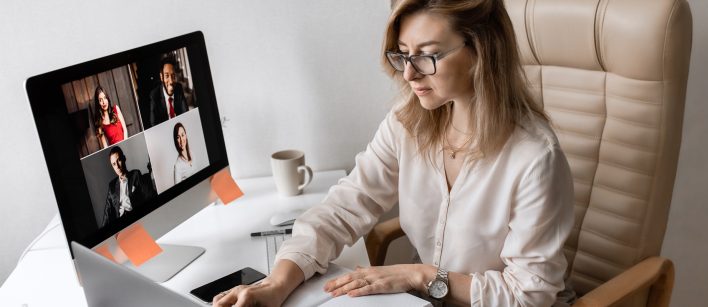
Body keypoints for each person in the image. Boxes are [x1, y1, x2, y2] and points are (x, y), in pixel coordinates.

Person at [214, 0, 574, 306]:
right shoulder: (408, 124)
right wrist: (278, 283)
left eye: (428, 56)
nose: (410, 75)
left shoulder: (534, 157)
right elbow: (345, 207)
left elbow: (529, 295)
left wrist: (421, 275)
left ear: (481, 50)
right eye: (403, 56)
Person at [101, 146, 157, 228]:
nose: (117, 166)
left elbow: (149, 195)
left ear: (124, 159)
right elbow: (107, 212)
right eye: (113, 164)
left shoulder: (136, 174)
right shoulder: (112, 186)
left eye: (119, 160)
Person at [148, 57, 189, 128]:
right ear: (161, 77)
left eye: (173, 76)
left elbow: (186, 114)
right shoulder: (154, 95)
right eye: (167, 76)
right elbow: (154, 124)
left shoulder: (178, 88)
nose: (171, 81)